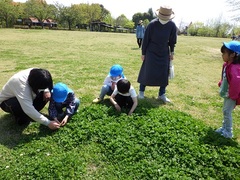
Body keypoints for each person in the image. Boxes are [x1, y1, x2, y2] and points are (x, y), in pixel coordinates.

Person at [137, 5, 177, 103]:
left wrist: (172, 52)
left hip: (164, 52)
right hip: (151, 51)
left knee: (164, 73)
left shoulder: (172, 25)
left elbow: (172, 41)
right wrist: (143, 53)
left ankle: (162, 94)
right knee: (147, 71)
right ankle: (141, 92)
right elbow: (146, 40)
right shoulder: (152, 24)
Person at [215, 41, 240, 138]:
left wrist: (233, 96)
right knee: (225, 110)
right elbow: (226, 77)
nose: (222, 55)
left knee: (227, 111)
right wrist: (222, 83)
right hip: (227, 93)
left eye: (224, 53)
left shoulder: (235, 68)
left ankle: (228, 132)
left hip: (232, 95)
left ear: (233, 54)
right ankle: (224, 127)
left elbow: (236, 83)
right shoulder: (226, 65)